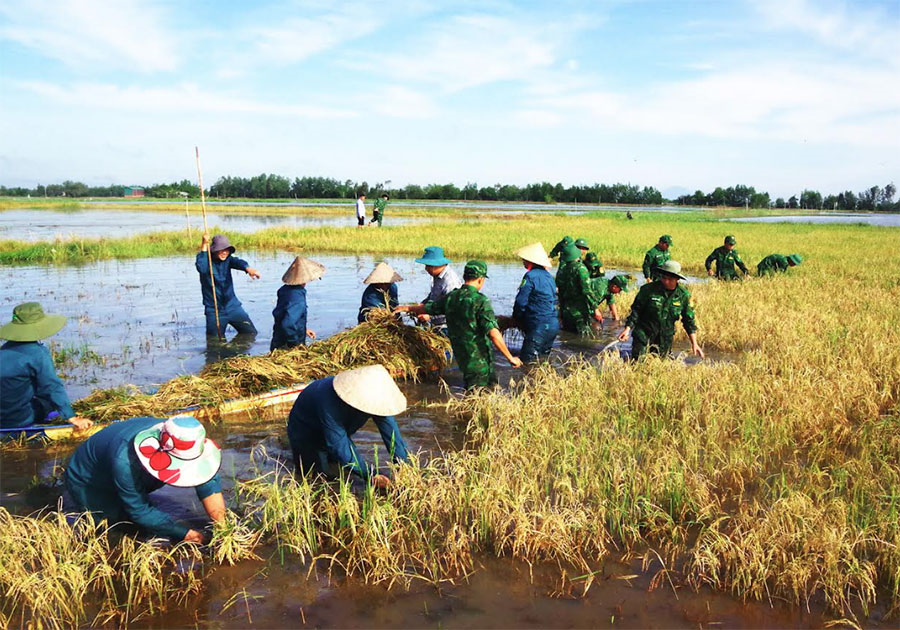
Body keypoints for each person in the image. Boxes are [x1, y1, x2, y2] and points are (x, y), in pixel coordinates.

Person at [65, 415, 225, 542]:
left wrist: (222, 526)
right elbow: (139, 510)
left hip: (124, 467)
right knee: (113, 528)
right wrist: (186, 534)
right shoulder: (125, 460)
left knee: (144, 518)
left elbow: (207, 481)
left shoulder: (185, 437)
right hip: (91, 480)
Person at [396, 261, 522, 389]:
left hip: (463, 358)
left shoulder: (452, 297)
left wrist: (407, 308)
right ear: (480, 280)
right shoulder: (481, 301)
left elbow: (428, 308)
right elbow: (494, 333)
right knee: (479, 394)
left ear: (464, 277)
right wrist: (510, 358)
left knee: (478, 389)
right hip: (480, 359)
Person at [287, 365, 409, 489]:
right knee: (318, 480)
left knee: (341, 468)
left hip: (338, 428)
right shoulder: (328, 401)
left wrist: (403, 467)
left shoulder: (377, 399)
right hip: (306, 433)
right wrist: (370, 475)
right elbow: (339, 445)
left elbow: (392, 436)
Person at [0, 302, 92, 431]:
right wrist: (72, 417)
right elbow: (51, 386)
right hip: (18, 420)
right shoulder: (38, 353)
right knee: (48, 402)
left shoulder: (3, 350)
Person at [618, 260, 704, 359]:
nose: (666, 281)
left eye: (670, 279)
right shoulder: (647, 290)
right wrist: (627, 329)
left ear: (677, 279)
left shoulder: (683, 295)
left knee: (662, 365)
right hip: (643, 335)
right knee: (638, 364)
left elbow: (688, 321)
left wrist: (694, 343)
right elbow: (636, 311)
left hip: (665, 339)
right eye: (664, 278)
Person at [197, 233, 260, 338]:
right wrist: (204, 244)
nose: (224, 252)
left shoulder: (229, 258)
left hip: (233, 306)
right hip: (215, 310)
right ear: (214, 250)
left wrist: (248, 269)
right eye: (221, 250)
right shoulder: (205, 259)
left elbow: (238, 262)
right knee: (214, 342)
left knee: (251, 333)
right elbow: (202, 269)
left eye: (226, 250)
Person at [512, 243, 559, 362]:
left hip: (539, 326)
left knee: (528, 362)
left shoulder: (530, 276)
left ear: (530, 261)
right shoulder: (549, 277)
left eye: (524, 259)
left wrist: (516, 318)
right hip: (553, 325)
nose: (523, 261)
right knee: (543, 361)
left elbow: (521, 302)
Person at [271, 257, 324, 351]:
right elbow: (288, 324)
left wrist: (304, 329)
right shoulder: (297, 297)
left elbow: (285, 315)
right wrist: (295, 345)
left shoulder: (284, 290)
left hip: (277, 341)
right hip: (287, 348)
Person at [556, 244, 601, 336]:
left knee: (567, 336)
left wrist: (561, 312)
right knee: (584, 337)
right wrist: (595, 309)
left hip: (566, 310)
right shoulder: (581, 269)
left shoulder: (562, 270)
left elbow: (560, 293)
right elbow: (587, 291)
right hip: (579, 311)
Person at [412, 246, 462, 330]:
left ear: (435, 265)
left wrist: (429, 316)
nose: (426, 268)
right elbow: (433, 296)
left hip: (448, 327)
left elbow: (453, 310)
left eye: (428, 265)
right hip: (436, 325)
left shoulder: (450, 283)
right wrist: (422, 305)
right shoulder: (437, 276)